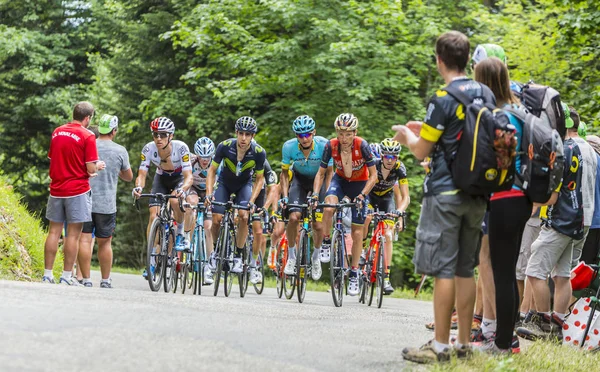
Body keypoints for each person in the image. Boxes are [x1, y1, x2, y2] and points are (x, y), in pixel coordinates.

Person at [393, 31, 495, 363]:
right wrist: (428, 129)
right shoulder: (485, 94)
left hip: (445, 193)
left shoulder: (443, 97)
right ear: (467, 60)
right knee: (467, 268)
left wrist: (408, 135)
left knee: (444, 269)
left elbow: (422, 149)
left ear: (439, 60)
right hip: (478, 193)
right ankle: (464, 344)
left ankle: (438, 346)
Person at [471, 57, 530, 354]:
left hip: (506, 198)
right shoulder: (518, 110)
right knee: (505, 271)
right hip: (519, 198)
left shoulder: (503, 115)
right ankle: (507, 340)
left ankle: (505, 344)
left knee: (503, 273)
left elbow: (503, 164)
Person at [517, 104, 584, 341]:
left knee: (534, 272)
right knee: (563, 274)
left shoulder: (560, 150)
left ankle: (542, 323)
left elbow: (552, 195)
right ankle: (557, 323)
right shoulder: (578, 147)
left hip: (559, 220)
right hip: (577, 219)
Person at [312, 113, 377, 296]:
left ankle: (354, 272)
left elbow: (374, 176)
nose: (344, 138)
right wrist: (316, 195)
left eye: (348, 134)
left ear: (355, 133)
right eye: (341, 133)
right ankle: (326, 240)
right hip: (340, 181)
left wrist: (363, 195)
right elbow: (321, 173)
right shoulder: (331, 145)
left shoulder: (362, 145)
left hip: (360, 185)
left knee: (357, 233)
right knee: (329, 205)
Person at [42, 101, 106, 285]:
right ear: (88, 118)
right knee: (73, 235)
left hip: (56, 189)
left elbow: (53, 158)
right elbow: (89, 168)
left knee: (53, 232)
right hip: (77, 191)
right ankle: (66, 276)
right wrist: (97, 167)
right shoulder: (87, 136)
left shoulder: (57, 131)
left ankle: (47, 274)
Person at [132, 117, 193, 277]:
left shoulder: (181, 148)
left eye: (163, 135)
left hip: (179, 178)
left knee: (174, 200)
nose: (159, 138)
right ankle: (151, 259)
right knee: (153, 215)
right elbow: (142, 174)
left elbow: (188, 176)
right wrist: (138, 186)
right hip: (162, 177)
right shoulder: (148, 149)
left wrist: (184, 189)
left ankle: (179, 233)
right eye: (155, 134)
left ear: (171, 136)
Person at [76, 115, 132, 288]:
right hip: (106, 205)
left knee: (84, 240)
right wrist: (118, 172)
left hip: (84, 199)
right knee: (105, 242)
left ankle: (85, 279)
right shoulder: (120, 150)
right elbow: (129, 177)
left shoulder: (87, 144)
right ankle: (105, 280)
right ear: (114, 131)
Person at [206, 116, 266, 274]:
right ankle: (217, 251)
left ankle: (238, 256)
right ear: (236, 133)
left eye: (247, 134)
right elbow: (212, 171)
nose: (243, 138)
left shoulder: (259, 152)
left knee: (244, 216)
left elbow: (260, 179)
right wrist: (208, 193)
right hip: (224, 183)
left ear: (253, 136)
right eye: (241, 133)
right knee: (216, 218)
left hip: (244, 185)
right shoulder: (224, 146)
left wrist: (252, 201)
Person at [280, 115, 333, 280]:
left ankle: (316, 258)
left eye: (308, 134)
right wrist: (284, 196)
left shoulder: (325, 145)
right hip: (299, 181)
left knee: (318, 225)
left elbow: (329, 172)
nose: (305, 138)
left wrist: (329, 193)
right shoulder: (288, 147)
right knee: (294, 217)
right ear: (296, 136)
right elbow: (283, 174)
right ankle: (291, 256)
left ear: (314, 133)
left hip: (321, 180)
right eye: (301, 135)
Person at [362, 138, 410, 295]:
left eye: (394, 157)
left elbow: (405, 197)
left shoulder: (400, 168)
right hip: (370, 196)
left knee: (388, 235)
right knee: (367, 217)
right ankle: (363, 250)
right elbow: (363, 184)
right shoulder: (373, 163)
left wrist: (400, 212)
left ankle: (386, 277)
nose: (390, 160)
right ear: (381, 156)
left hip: (386, 199)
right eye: (387, 156)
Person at [566, 107, 597, 267]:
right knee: (574, 270)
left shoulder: (569, 147)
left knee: (542, 269)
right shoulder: (591, 150)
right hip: (588, 217)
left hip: (571, 216)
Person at [186, 137, 216, 284]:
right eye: (202, 157)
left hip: (209, 192)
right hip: (193, 189)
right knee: (192, 205)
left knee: (208, 227)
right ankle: (188, 242)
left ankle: (208, 266)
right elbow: (184, 178)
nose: (205, 160)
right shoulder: (191, 161)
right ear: (196, 155)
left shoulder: (217, 163)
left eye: (207, 157)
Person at [249, 158, 277, 284]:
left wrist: (267, 209)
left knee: (261, 235)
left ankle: (256, 264)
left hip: (259, 196)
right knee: (238, 219)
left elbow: (273, 192)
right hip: (243, 192)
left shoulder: (264, 163)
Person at [581, 135, 600, 264]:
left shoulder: (584, 158)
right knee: (591, 264)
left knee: (578, 265)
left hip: (585, 219)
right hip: (597, 221)